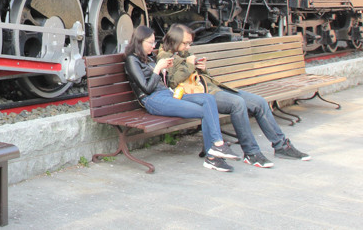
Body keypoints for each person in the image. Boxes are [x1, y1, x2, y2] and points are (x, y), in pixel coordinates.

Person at [158, 24, 310, 167]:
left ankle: (281, 146)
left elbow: (200, 77)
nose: (188, 47)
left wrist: (202, 69)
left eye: (190, 44)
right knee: (237, 103)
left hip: (214, 89)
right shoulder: (164, 57)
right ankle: (251, 153)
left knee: (259, 102)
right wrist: (190, 65)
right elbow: (171, 83)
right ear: (175, 40)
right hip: (200, 96)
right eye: (185, 43)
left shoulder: (183, 52)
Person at [123, 24, 238, 172]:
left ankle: (215, 150)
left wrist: (165, 69)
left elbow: (163, 81)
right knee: (204, 110)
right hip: (153, 100)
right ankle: (216, 151)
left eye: (154, 42)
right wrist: (158, 68)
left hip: (168, 94)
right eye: (150, 43)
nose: (154, 45)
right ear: (139, 42)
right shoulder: (132, 60)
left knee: (208, 100)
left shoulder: (147, 58)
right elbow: (147, 89)